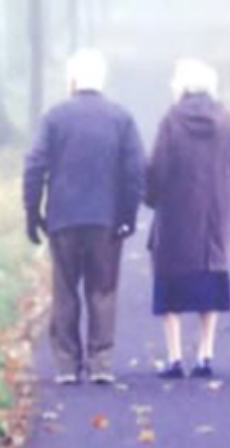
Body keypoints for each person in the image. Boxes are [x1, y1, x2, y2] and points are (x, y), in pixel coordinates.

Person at [22, 48, 145, 385]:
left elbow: (34, 167)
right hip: (105, 220)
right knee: (102, 290)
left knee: (65, 290)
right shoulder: (120, 118)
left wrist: (32, 215)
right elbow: (135, 171)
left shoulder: (55, 117)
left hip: (63, 218)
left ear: (72, 80)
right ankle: (101, 362)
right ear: (101, 81)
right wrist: (127, 215)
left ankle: (66, 365)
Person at [145, 58, 230, 379]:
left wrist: (149, 195)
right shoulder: (226, 121)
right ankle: (205, 353)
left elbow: (158, 168)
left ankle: (174, 357)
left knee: (170, 284)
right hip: (215, 215)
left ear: (183, 86)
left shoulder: (171, 120)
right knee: (209, 281)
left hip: (176, 215)